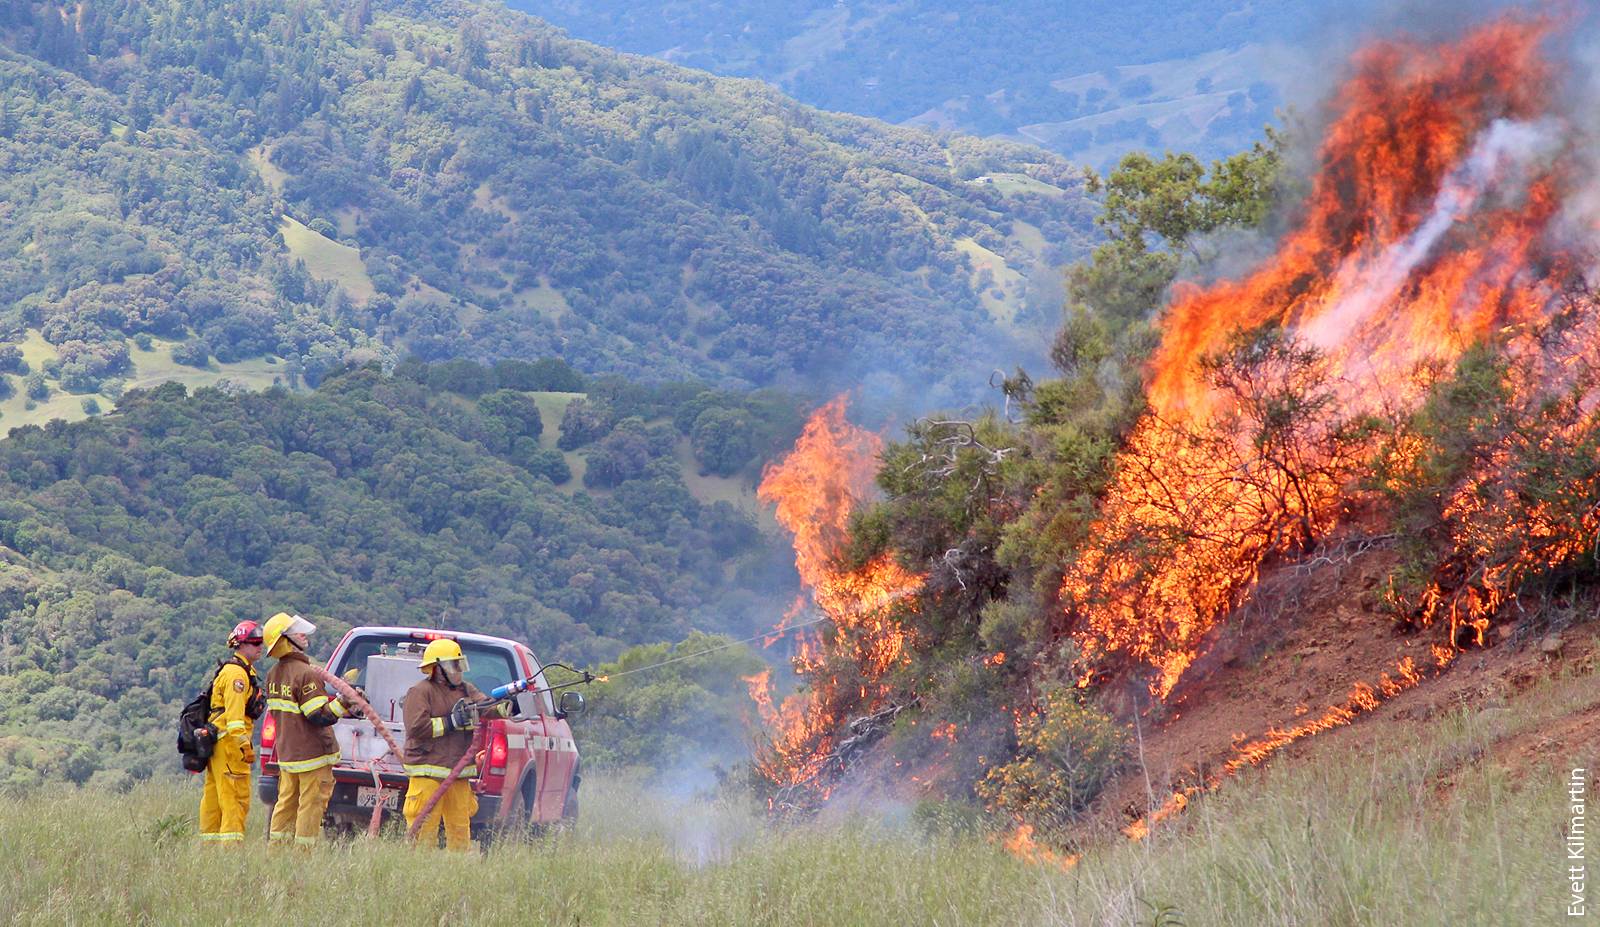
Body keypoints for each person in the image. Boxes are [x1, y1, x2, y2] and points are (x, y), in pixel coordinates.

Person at [401, 638, 509, 850]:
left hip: (458, 776)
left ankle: (456, 872)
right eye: (453, 665)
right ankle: (420, 875)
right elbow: (416, 728)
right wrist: (451, 722)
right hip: (428, 775)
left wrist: (507, 706)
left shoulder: (466, 689)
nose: (458, 671)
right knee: (424, 833)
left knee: (460, 831)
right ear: (436, 669)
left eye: (460, 665)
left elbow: (485, 707)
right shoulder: (420, 692)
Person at [261, 612, 350, 848]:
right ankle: (303, 855)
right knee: (310, 806)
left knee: (285, 804)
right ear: (285, 641)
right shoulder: (306, 673)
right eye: (295, 632)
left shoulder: (273, 674)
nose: (302, 634)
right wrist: (344, 703)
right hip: (312, 756)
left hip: (289, 756)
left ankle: (277, 853)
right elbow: (318, 716)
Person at [197, 620, 264, 845]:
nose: (259, 646)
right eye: (254, 642)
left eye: (260, 642)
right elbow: (235, 719)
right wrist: (245, 746)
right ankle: (230, 851)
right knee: (235, 799)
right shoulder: (237, 675)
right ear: (240, 645)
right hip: (229, 746)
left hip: (217, 744)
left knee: (214, 800)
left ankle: (210, 849)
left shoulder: (235, 670)